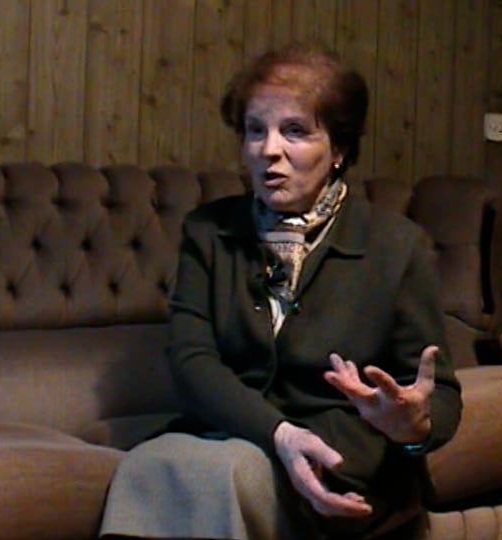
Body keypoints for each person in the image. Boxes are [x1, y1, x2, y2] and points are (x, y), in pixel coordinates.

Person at [99, 41, 463, 540]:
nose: (268, 150)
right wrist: (278, 433)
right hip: (236, 431)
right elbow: (192, 362)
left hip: (341, 458)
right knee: (148, 465)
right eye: (255, 130)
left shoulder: (396, 245)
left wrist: (413, 427)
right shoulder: (208, 231)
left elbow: (438, 396)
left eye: (294, 131)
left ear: (338, 149)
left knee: (224, 475)